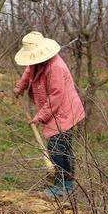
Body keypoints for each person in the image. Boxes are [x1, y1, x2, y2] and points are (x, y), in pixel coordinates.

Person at [12, 31, 85, 199]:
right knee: (62, 148)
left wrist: (39, 117)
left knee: (57, 149)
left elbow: (56, 96)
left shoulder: (56, 67)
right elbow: (29, 72)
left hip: (64, 111)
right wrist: (20, 87)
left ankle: (62, 185)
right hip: (55, 111)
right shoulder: (36, 62)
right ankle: (67, 183)